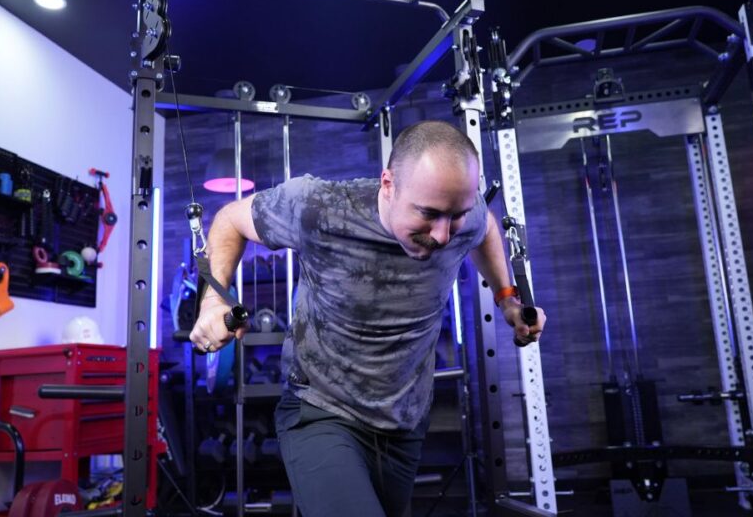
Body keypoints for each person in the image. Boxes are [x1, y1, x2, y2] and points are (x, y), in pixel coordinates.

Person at [190, 120, 545, 517]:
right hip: (322, 410)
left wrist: (507, 299)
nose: (443, 235)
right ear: (388, 184)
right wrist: (213, 301)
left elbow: (485, 228)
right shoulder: (318, 207)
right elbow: (230, 219)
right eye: (428, 214)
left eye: (455, 216)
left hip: (404, 423)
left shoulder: (464, 212)